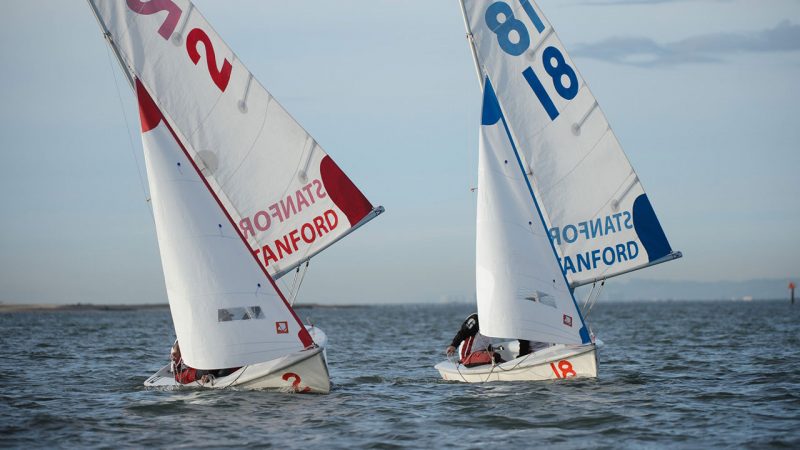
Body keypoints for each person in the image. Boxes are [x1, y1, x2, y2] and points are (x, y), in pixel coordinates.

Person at [444, 313, 536, 364]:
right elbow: (462, 332)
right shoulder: (476, 319)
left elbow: (516, 332)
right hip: (468, 356)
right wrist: (453, 345)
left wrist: (524, 353)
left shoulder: (498, 320)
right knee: (495, 356)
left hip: (484, 352)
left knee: (499, 358)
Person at [170, 341, 239, 385]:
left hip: (216, 362)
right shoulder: (178, 348)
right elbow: (178, 375)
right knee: (219, 371)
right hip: (186, 372)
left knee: (222, 370)